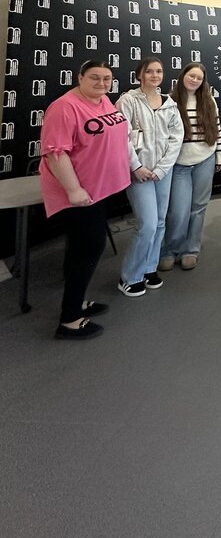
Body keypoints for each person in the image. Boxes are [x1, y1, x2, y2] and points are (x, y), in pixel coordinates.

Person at [39, 60, 130, 340]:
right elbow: (55, 153)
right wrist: (74, 189)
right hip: (80, 194)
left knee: (81, 248)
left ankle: (76, 303)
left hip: (98, 190)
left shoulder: (104, 101)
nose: (102, 83)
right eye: (95, 77)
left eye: (107, 78)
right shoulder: (64, 107)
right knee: (89, 249)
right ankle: (69, 320)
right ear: (80, 77)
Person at [117, 57, 183, 296]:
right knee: (147, 224)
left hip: (162, 172)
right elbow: (121, 137)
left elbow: (176, 138)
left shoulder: (170, 104)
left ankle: (149, 268)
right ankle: (130, 276)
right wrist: (136, 166)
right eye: (149, 71)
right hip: (139, 173)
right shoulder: (127, 101)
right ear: (139, 75)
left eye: (159, 71)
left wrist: (162, 168)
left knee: (160, 222)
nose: (155, 75)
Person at [160, 63, 221, 271]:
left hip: (205, 159)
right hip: (179, 164)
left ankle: (191, 250)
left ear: (203, 81)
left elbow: (217, 129)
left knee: (198, 208)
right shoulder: (170, 101)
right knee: (178, 211)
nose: (194, 80)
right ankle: (170, 249)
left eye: (199, 78)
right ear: (183, 76)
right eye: (191, 76)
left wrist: (219, 156)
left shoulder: (209, 100)